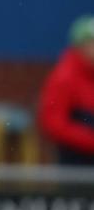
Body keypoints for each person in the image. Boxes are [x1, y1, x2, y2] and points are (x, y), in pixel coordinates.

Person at [38, 14, 94, 165]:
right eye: (92, 43)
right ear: (81, 46)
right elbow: (54, 124)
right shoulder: (64, 78)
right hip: (76, 163)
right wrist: (89, 140)